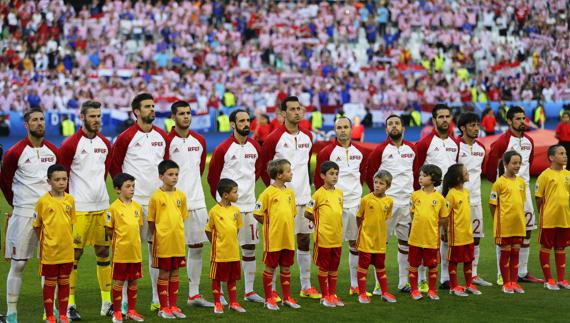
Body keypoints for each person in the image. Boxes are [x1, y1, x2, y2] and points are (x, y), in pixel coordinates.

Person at [110, 93, 169, 311]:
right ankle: (124, 300)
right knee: (128, 253)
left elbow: (166, 168)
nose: (152, 110)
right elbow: (114, 166)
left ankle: (156, 298)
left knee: (157, 252)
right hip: (132, 205)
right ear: (136, 111)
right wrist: (123, 194)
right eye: (147, 107)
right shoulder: (125, 137)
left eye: (153, 106)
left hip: (156, 203)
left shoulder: (162, 136)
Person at [1, 108, 58, 323]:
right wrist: (19, 204)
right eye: (34, 120)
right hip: (23, 214)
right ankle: (12, 314)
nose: (39, 123)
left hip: (49, 216)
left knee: (49, 266)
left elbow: (60, 180)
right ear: (26, 125)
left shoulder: (53, 151)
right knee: (19, 264)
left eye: (42, 119)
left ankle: (49, 313)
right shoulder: (15, 152)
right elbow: (5, 182)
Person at [261, 96, 320, 299]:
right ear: (283, 114)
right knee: (279, 245)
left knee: (304, 241)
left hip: (304, 197)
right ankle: (274, 290)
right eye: (292, 109)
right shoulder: (273, 138)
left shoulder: (308, 137)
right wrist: (275, 193)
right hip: (281, 202)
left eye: (299, 108)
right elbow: (264, 168)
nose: (297, 112)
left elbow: (306, 166)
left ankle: (305, 286)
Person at [59, 100, 113, 320]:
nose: (97, 120)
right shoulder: (70, 144)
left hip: (101, 206)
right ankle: (70, 304)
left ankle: (106, 302)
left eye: (99, 116)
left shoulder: (105, 143)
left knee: (103, 253)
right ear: (82, 117)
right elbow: (60, 176)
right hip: (79, 208)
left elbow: (105, 172)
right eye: (92, 116)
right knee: (74, 255)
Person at [208, 109, 264, 303]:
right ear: (233, 124)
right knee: (226, 250)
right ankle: (221, 292)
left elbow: (257, 171)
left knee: (249, 247)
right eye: (241, 121)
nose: (246, 124)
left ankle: (249, 291)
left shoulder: (255, 146)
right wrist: (221, 203)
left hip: (249, 205)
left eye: (248, 120)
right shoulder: (223, 148)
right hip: (228, 209)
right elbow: (212, 176)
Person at [486, 106, 542, 285]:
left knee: (527, 231)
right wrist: (496, 182)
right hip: (506, 193)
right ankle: (502, 274)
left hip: (523, 190)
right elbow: (490, 164)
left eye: (523, 118)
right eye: (518, 119)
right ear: (509, 121)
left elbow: (530, 162)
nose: (522, 122)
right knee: (504, 233)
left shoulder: (529, 141)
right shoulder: (502, 141)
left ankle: (522, 272)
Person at [166, 101, 213, 307]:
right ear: (173, 117)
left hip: (197, 201)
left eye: (188, 113)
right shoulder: (166, 141)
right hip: (171, 204)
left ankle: (193, 294)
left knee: (196, 247)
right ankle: (161, 297)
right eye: (182, 113)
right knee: (167, 252)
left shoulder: (200, 140)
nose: (186, 116)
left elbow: (199, 168)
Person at [315, 117, 367, 296]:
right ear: (335, 130)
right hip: (334, 207)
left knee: (355, 245)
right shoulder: (326, 152)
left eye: (346, 127)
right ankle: (327, 289)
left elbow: (364, 174)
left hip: (355, 204)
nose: (343, 130)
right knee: (332, 247)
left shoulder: (360, 151)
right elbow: (317, 179)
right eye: (339, 128)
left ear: (352, 130)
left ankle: (354, 285)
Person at [366, 114, 415, 293]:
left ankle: (403, 282)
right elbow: (369, 173)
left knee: (406, 243)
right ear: (386, 129)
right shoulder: (380, 150)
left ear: (403, 128)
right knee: (380, 244)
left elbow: (416, 173)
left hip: (407, 204)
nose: (394, 126)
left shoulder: (412, 149)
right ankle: (380, 283)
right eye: (390, 124)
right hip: (386, 205)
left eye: (397, 123)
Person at [413, 104, 459, 290]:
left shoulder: (454, 143)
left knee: (445, 237)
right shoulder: (425, 143)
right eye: (440, 116)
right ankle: (423, 277)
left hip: (448, 198)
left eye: (447, 116)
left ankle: (444, 277)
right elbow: (416, 170)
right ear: (434, 120)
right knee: (427, 237)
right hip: (428, 198)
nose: (444, 120)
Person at [254, 159, 301, 311]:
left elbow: (292, 213)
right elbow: (258, 213)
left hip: (287, 237)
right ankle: (269, 299)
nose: (291, 173)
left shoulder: (290, 193)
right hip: (273, 238)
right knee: (270, 267)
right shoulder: (267, 193)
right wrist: (271, 225)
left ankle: (286, 298)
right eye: (288, 171)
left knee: (286, 267)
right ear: (279, 175)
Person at [33, 164, 75, 323]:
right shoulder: (43, 201)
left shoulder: (70, 199)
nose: (61, 182)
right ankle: (50, 316)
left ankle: (63, 315)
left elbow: (71, 223)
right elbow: (37, 225)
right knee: (50, 283)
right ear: (49, 181)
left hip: (66, 250)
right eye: (57, 179)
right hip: (50, 251)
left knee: (64, 282)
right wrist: (47, 242)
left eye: (64, 179)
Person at [148, 160, 187, 319]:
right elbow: (151, 221)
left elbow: (182, 217)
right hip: (163, 242)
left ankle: (174, 306)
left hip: (177, 241)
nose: (174, 177)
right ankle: (163, 307)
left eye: (176, 174)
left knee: (175, 272)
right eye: (170, 174)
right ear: (161, 176)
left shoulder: (181, 195)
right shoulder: (156, 197)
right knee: (164, 273)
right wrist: (160, 235)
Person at [457, 112, 492, 287]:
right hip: (457, 202)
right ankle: (447, 277)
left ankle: (474, 275)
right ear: (462, 128)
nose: (476, 128)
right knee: (451, 239)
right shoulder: (455, 146)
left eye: (477, 125)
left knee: (476, 238)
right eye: (472, 125)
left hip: (476, 200)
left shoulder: (481, 149)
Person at [105, 173, 145, 323]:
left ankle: (131, 311)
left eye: (133, 186)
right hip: (120, 253)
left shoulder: (137, 207)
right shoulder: (113, 208)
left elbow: (139, 228)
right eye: (128, 186)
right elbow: (109, 230)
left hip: (135, 252)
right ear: (117, 189)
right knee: (119, 282)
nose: (132, 189)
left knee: (134, 281)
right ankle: (117, 312)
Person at [305, 161, 344, 307]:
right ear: (322, 175)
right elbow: (307, 212)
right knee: (324, 267)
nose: (335, 177)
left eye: (336, 174)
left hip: (337, 238)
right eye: (331, 174)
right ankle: (325, 296)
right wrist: (319, 223)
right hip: (323, 238)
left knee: (334, 268)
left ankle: (332, 295)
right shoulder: (317, 194)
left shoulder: (339, 193)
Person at [355, 170, 397, 304]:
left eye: (381, 183)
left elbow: (385, 218)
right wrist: (364, 232)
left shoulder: (389, 201)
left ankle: (384, 292)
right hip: (366, 240)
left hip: (380, 241)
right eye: (375, 182)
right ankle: (361, 294)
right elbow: (359, 217)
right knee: (363, 267)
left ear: (388, 186)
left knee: (381, 267)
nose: (377, 185)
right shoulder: (366, 200)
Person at [488, 151, 527, 294]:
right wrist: (497, 221)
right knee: (506, 253)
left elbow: (521, 202)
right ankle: (506, 283)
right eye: (514, 163)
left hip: (518, 224)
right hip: (504, 225)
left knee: (516, 252)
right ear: (505, 164)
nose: (517, 166)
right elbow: (492, 204)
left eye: (519, 163)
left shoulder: (521, 182)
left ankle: (514, 282)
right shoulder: (499, 183)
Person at [206, 178, 246, 314]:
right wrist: (216, 243)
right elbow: (208, 230)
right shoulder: (214, 211)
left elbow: (237, 229)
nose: (237, 195)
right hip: (219, 253)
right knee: (216, 278)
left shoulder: (236, 210)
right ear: (225, 195)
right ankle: (217, 303)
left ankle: (233, 302)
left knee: (232, 278)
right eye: (235, 192)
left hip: (233, 252)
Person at [408, 164, 448, 301]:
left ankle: (431, 290)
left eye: (424, 175)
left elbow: (444, 218)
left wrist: (434, 226)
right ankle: (414, 290)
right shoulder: (415, 195)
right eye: (420, 175)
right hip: (415, 237)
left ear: (433, 179)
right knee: (413, 264)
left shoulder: (440, 199)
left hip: (431, 238)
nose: (420, 177)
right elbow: (413, 214)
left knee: (432, 265)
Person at [442, 164, 481, 297]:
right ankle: (453, 286)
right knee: (453, 261)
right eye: (465, 172)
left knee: (468, 259)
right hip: (456, 234)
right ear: (459, 178)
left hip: (467, 233)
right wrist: (444, 232)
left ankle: (469, 284)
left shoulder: (466, 192)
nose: (468, 174)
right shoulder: (451, 195)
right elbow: (445, 216)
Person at [535, 145, 570, 290]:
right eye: (561, 153)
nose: (565, 156)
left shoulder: (568, 174)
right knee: (546, 246)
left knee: (561, 247)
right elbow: (538, 198)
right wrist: (543, 213)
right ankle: (548, 279)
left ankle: (561, 279)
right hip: (549, 218)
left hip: (564, 218)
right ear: (551, 157)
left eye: (565, 153)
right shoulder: (545, 175)